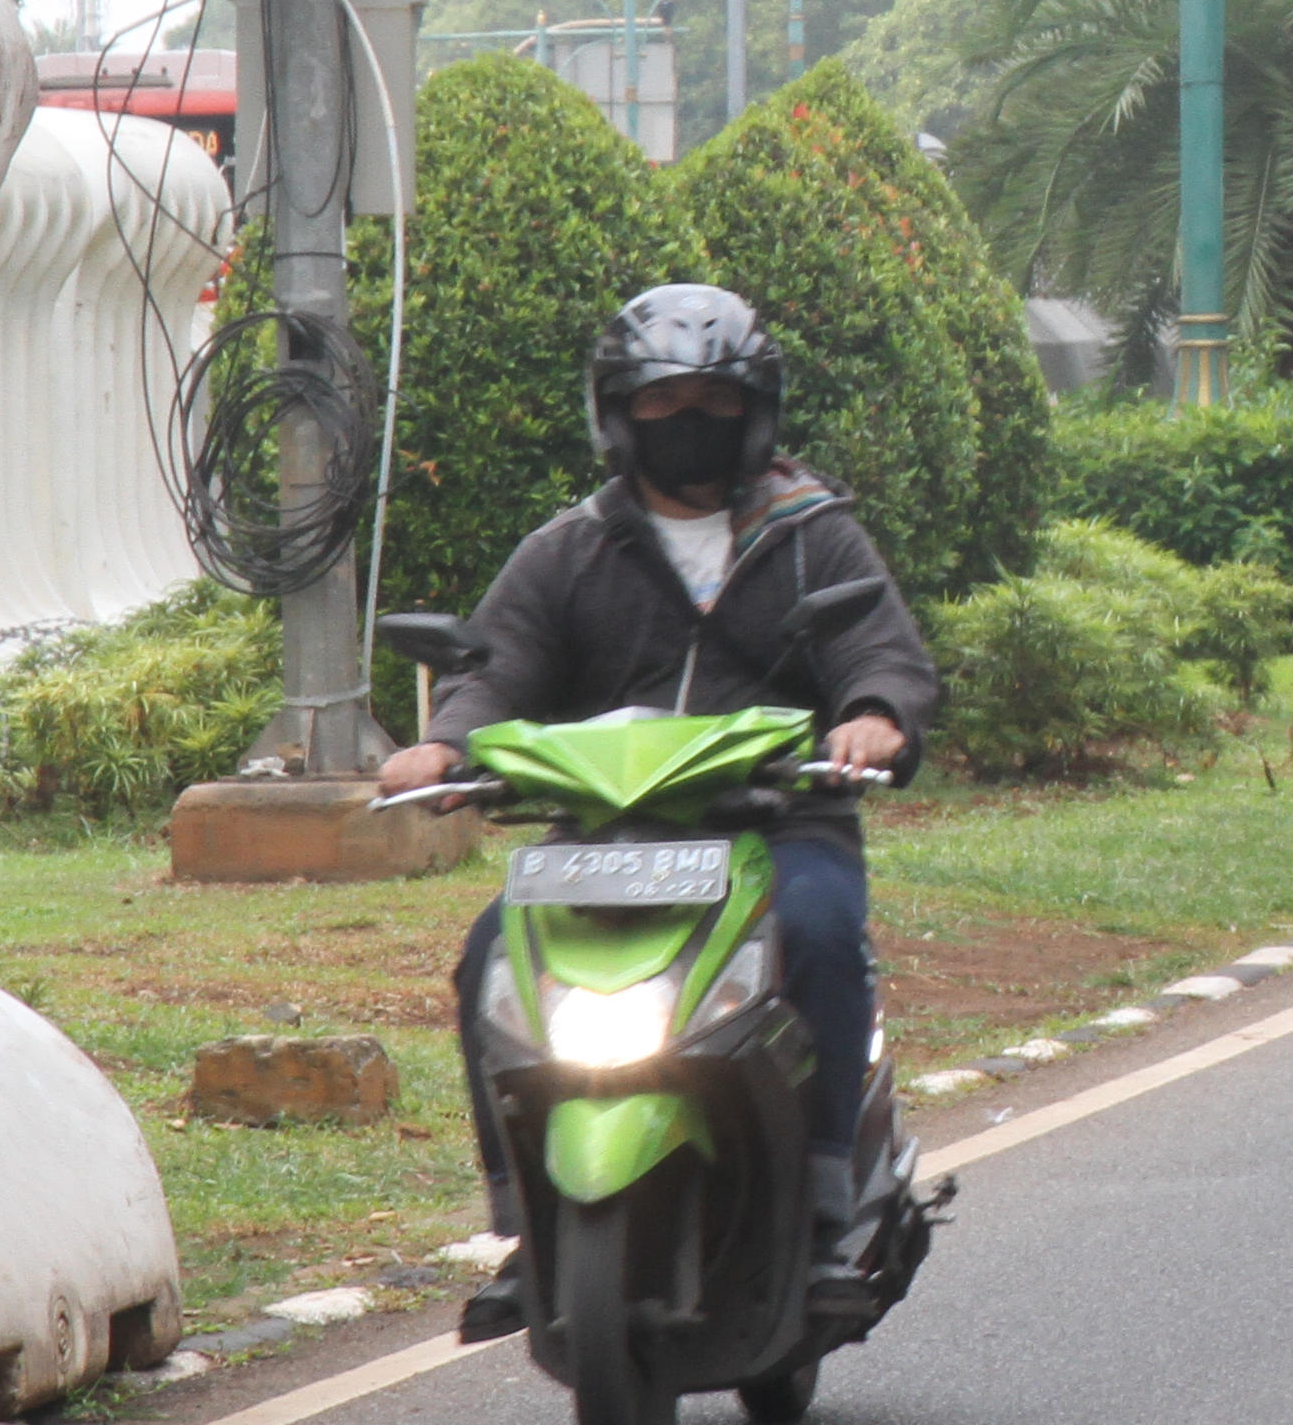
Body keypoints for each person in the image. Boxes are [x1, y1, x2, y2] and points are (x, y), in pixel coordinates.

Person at [381, 283, 937, 1329]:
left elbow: (882, 657)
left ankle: (823, 1202)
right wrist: (444, 741)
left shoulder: (815, 538)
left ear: (758, 411)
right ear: (617, 411)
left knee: (820, 932)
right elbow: (497, 669)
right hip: (604, 845)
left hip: (777, 828)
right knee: (488, 953)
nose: (690, 422)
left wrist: (873, 718)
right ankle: (521, 1215)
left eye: (717, 403)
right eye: (664, 399)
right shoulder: (571, 548)